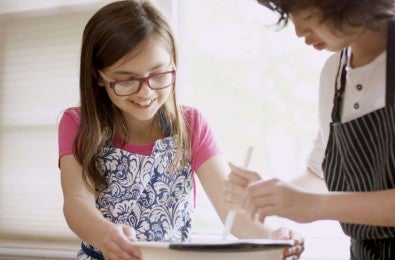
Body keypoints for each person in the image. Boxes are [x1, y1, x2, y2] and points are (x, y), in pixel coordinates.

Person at [57, 1, 304, 259]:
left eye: (159, 74)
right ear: (98, 76)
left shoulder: (192, 125)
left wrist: (272, 236)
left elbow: (232, 210)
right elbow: (76, 202)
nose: (146, 92)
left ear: (173, 63)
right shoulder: (77, 123)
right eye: (127, 79)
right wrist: (104, 234)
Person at [224, 0, 395, 259]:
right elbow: (320, 176)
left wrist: (314, 206)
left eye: (305, 12)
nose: (299, 31)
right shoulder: (334, 73)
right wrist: (271, 195)